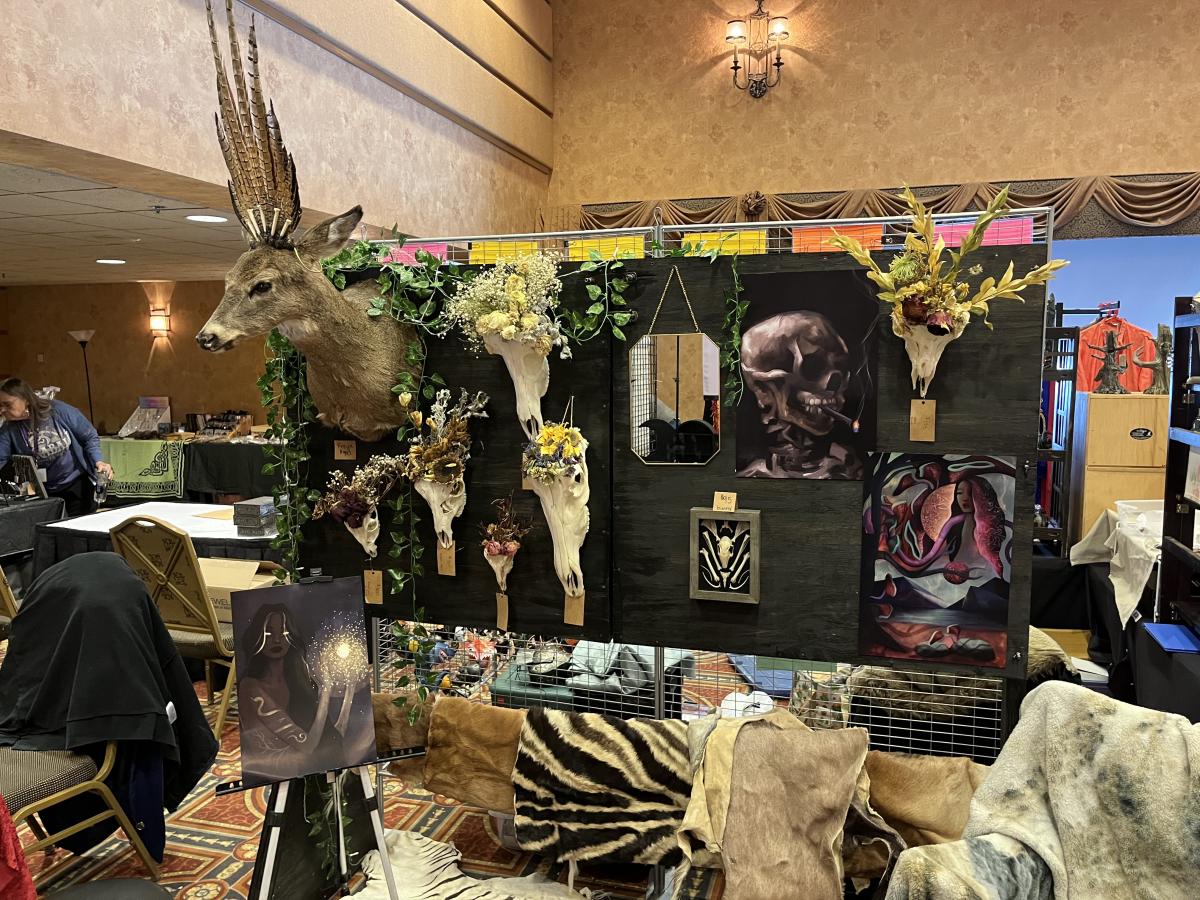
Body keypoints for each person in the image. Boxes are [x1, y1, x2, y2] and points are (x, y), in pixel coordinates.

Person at [0, 377, 112, 516]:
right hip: (41, 492)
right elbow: (1, 460)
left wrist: (98, 461)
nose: (2, 410)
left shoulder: (58, 410)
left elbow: (89, 436)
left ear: (26, 399)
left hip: (76, 485)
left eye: (7, 404)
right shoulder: (8, 428)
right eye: (0, 405)